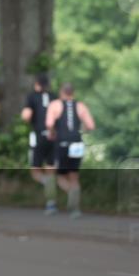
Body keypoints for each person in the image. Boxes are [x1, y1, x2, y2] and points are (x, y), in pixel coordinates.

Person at [45, 83, 95, 219]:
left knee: (60, 175)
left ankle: (71, 196)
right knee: (74, 175)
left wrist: (52, 133)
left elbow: (49, 124)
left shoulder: (55, 105)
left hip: (62, 142)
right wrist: (81, 130)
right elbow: (91, 125)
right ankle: (75, 208)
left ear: (62, 92)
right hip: (77, 143)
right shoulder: (81, 106)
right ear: (73, 92)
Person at [21, 73, 58, 214]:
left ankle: (47, 184)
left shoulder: (32, 97)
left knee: (35, 170)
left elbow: (26, 116)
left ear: (36, 84)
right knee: (50, 169)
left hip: (38, 136)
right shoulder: (54, 97)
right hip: (54, 137)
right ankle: (51, 203)